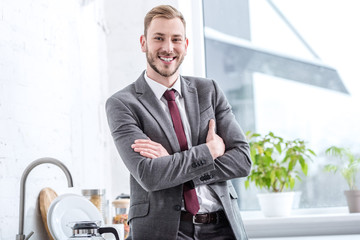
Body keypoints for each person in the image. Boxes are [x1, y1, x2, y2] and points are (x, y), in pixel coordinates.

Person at [106, 5, 251, 240]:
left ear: (185, 45)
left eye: (176, 39)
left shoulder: (209, 91)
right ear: (143, 43)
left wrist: (173, 166)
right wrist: (210, 151)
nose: (168, 47)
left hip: (223, 227)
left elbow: (242, 160)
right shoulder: (123, 104)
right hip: (164, 231)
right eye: (159, 38)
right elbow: (150, 175)